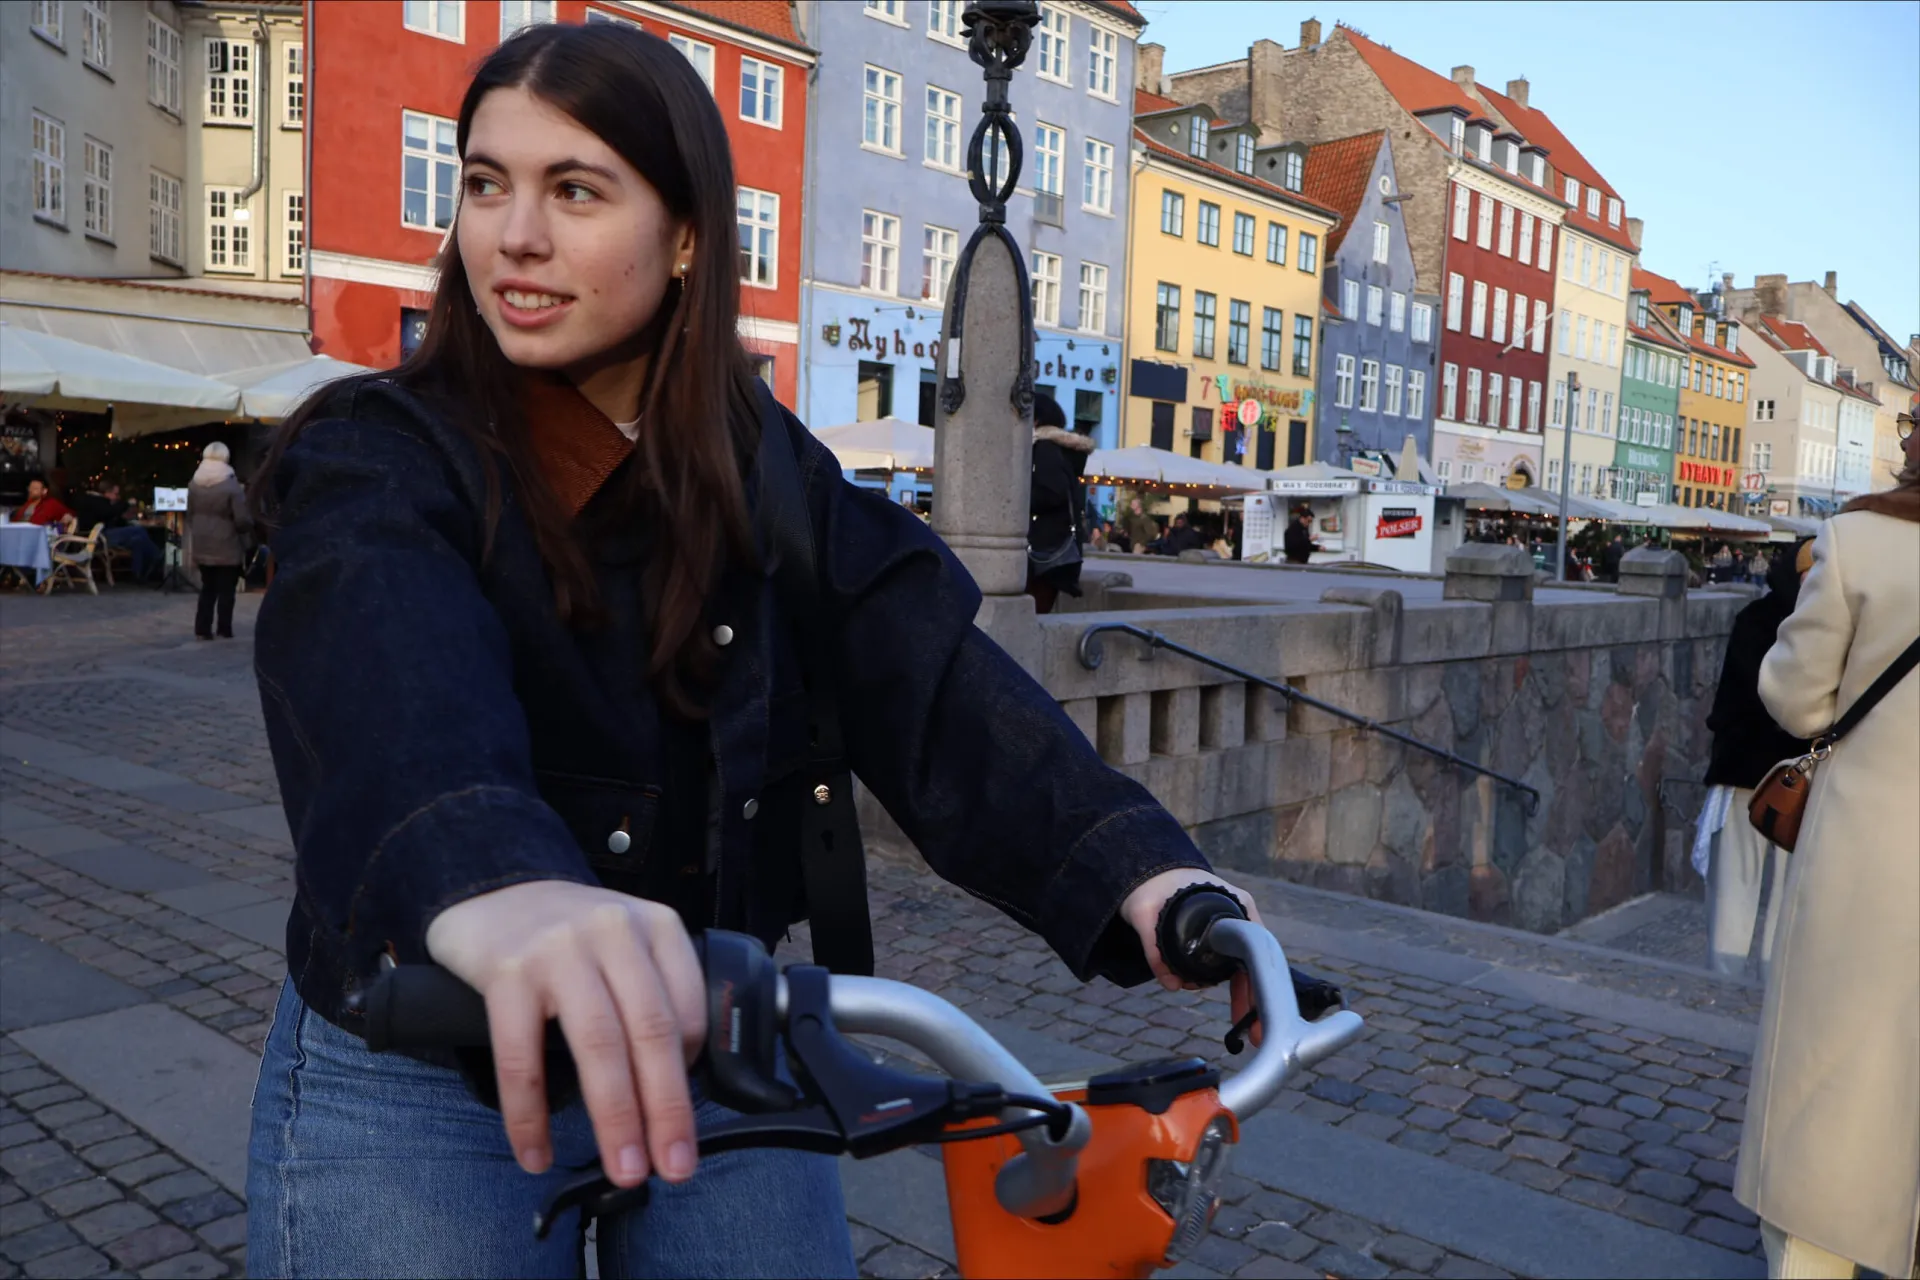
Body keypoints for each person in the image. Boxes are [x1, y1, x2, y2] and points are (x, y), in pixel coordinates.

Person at [241, 24, 1261, 1279]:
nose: (512, 234)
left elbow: (925, 673)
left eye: (574, 189)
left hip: (713, 1022)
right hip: (430, 1048)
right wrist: (488, 879)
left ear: (684, 238)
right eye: (486, 181)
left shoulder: (767, 462)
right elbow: (381, 662)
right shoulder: (383, 448)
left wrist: (1139, 872)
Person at [1735, 410, 1919, 1280]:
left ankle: (1815, 1260)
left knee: (1829, 1082)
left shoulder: (1858, 540)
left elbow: (1799, 701)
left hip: (1869, 857)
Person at [1694, 540, 1811, 981]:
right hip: (1776, 774)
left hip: (1761, 770)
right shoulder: (1794, 626)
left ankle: (1737, 973)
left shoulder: (1758, 621)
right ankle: (1750, 974)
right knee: (1754, 883)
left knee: (1753, 885)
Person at [1025, 392, 1092, 615]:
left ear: (1036, 420)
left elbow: (1053, 494)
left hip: (1045, 546)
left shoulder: (1044, 448)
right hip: (1055, 545)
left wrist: (1018, 502)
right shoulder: (1060, 450)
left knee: (1033, 614)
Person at [187, 442, 251, 639]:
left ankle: (202, 629)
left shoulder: (194, 483)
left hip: (202, 542)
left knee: (207, 588)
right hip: (227, 543)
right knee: (226, 590)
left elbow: (190, 514)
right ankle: (224, 628)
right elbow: (241, 519)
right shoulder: (231, 486)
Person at [69, 482, 163, 583]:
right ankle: (157, 556)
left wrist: (127, 523)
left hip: (104, 535)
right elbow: (109, 513)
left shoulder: (98, 502)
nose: (117, 497)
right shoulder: (96, 501)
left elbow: (112, 518)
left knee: (138, 540)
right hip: (100, 537)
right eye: (116, 494)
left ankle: (138, 575)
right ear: (107, 493)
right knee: (139, 530)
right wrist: (127, 504)